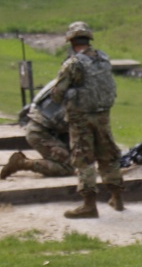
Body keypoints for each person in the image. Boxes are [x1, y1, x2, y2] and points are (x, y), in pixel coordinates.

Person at [51, 21, 125, 219]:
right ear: (89, 39)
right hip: (103, 115)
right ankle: (117, 198)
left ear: (72, 42)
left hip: (80, 118)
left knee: (83, 158)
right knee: (108, 155)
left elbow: (57, 94)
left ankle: (89, 206)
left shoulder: (73, 63)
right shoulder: (103, 59)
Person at [0, 81, 74, 180]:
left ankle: (49, 162)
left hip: (48, 130)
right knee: (67, 167)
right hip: (40, 132)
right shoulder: (78, 91)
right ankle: (21, 163)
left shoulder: (65, 81)